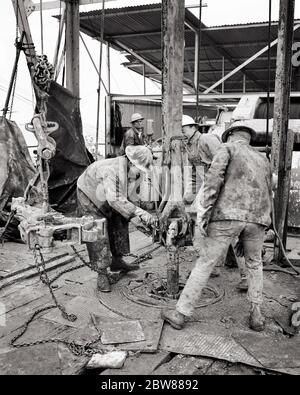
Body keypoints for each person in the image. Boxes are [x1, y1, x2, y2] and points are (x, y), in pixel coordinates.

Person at [162, 124, 272, 332]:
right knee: (255, 264)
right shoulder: (262, 159)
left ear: (230, 136)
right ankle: (256, 314)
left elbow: (213, 180)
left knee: (205, 262)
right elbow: (269, 190)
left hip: (227, 215)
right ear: (249, 138)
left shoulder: (227, 148)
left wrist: (204, 213)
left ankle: (180, 313)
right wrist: (267, 221)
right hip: (258, 218)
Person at [77, 145, 155, 293]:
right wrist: (137, 214)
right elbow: (115, 200)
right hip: (88, 193)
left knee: (120, 220)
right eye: (140, 169)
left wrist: (136, 215)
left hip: (107, 194)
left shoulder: (130, 172)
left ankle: (117, 260)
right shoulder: (112, 170)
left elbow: (128, 199)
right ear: (132, 163)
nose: (141, 173)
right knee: (98, 230)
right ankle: (101, 274)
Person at [182, 115, 248, 288]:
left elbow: (226, 159)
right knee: (207, 228)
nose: (182, 133)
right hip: (208, 189)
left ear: (192, 127)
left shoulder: (206, 139)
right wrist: (190, 193)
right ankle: (215, 267)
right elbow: (196, 173)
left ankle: (246, 277)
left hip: (223, 188)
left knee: (231, 231)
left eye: (183, 129)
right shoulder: (189, 146)